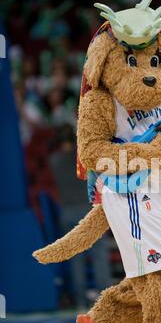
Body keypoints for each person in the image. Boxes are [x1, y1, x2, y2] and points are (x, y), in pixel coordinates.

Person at [49, 125, 112, 307]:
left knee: (76, 259)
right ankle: (105, 298)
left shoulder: (54, 161)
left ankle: (80, 301)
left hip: (67, 213)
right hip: (88, 210)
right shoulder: (84, 159)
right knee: (99, 254)